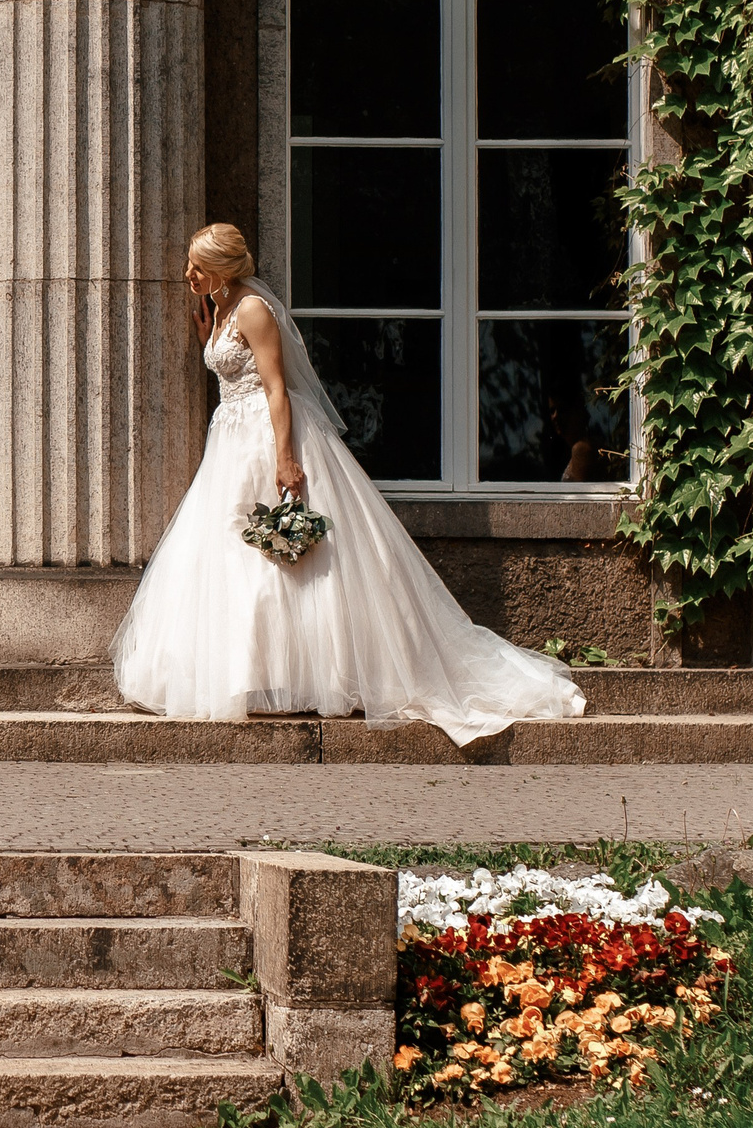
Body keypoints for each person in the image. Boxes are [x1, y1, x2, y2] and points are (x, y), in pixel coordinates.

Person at [110, 223, 583, 745]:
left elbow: (275, 389)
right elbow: (235, 373)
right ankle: (253, 676)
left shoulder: (250, 309)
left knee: (286, 558)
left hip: (263, 437)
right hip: (229, 438)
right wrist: (211, 342)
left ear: (223, 267)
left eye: (198, 265)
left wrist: (285, 458)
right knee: (232, 556)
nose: (188, 274)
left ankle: (311, 675)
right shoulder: (222, 309)